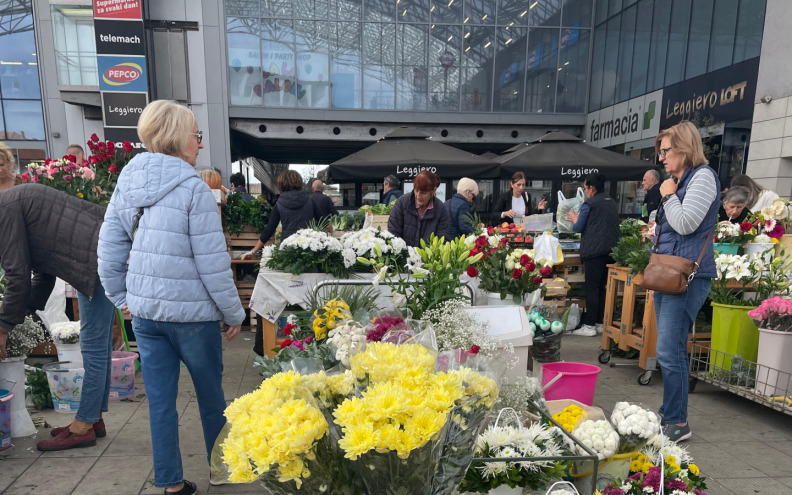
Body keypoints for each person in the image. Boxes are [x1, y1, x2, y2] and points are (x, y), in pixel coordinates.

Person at [97, 100, 245, 495]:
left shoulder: (128, 181)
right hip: (193, 317)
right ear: (180, 139)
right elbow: (213, 264)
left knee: (161, 403)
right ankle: (221, 469)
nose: (199, 144)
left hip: (145, 314)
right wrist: (235, 313)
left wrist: (120, 296)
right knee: (211, 397)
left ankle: (170, 483)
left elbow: (109, 247)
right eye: (196, 136)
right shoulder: (195, 189)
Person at [0, 184, 117, 452]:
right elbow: (43, 270)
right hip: (100, 250)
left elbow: (17, 275)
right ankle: (93, 418)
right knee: (97, 344)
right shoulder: (9, 203)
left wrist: (4, 327)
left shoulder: (3, 210)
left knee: (93, 346)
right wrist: (24, 316)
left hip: (95, 258)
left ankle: (84, 426)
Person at [652, 121, 720, 443]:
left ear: (683, 147)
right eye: (660, 152)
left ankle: (677, 422)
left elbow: (685, 223)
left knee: (670, 349)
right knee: (667, 348)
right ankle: (669, 414)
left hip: (688, 276)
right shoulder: (680, 181)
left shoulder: (703, 177)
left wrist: (667, 196)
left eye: (665, 151)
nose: (661, 158)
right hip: (669, 272)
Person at [565, 173, 620, 337]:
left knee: (592, 288)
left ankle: (588, 325)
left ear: (591, 188)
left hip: (594, 252)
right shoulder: (612, 202)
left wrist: (575, 219)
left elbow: (578, 228)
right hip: (611, 250)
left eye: (585, 187)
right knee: (603, 288)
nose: (584, 190)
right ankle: (599, 323)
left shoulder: (589, 203)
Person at [246, 170, 320, 254]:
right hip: (308, 247)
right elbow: (322, 221)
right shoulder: (310, 201)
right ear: (299, 182)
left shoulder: (279, 204)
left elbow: (270, 228)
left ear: (281, 185)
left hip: (287, 249)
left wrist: (254, 250)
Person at [388, 170, 449, 247]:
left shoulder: (441, 209)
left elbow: (443, 238)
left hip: (428, 257)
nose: (418, 196)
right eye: (416, 190)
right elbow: (393, 232)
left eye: (423, 193)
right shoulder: (402, 203)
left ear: (433, 190)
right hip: (403, 255)